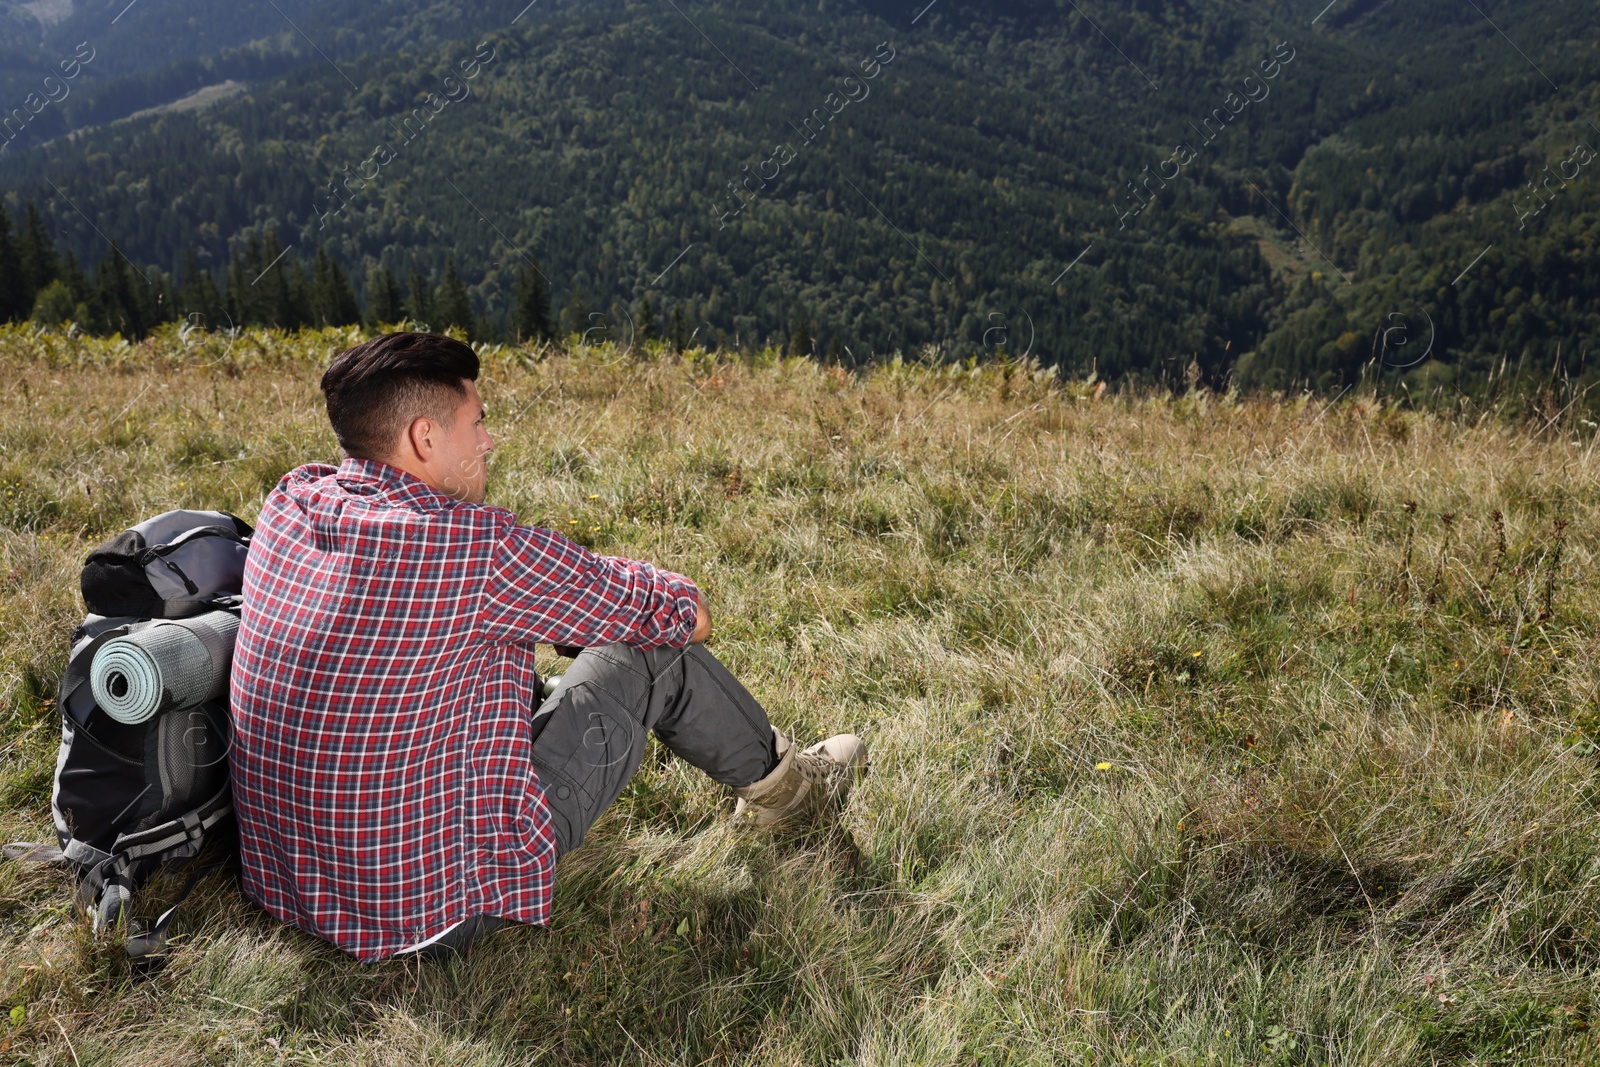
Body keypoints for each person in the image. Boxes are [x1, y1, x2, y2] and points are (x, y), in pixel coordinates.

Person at [227, 331, 866, 962]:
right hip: (428, 913)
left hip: (286, 887)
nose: (488, 440)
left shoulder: (292, 501)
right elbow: (686, 617)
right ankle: (791, 794)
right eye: (476, 422)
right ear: (425, 437)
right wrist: (584, 608)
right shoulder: (474, 548)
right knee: (652, 654)